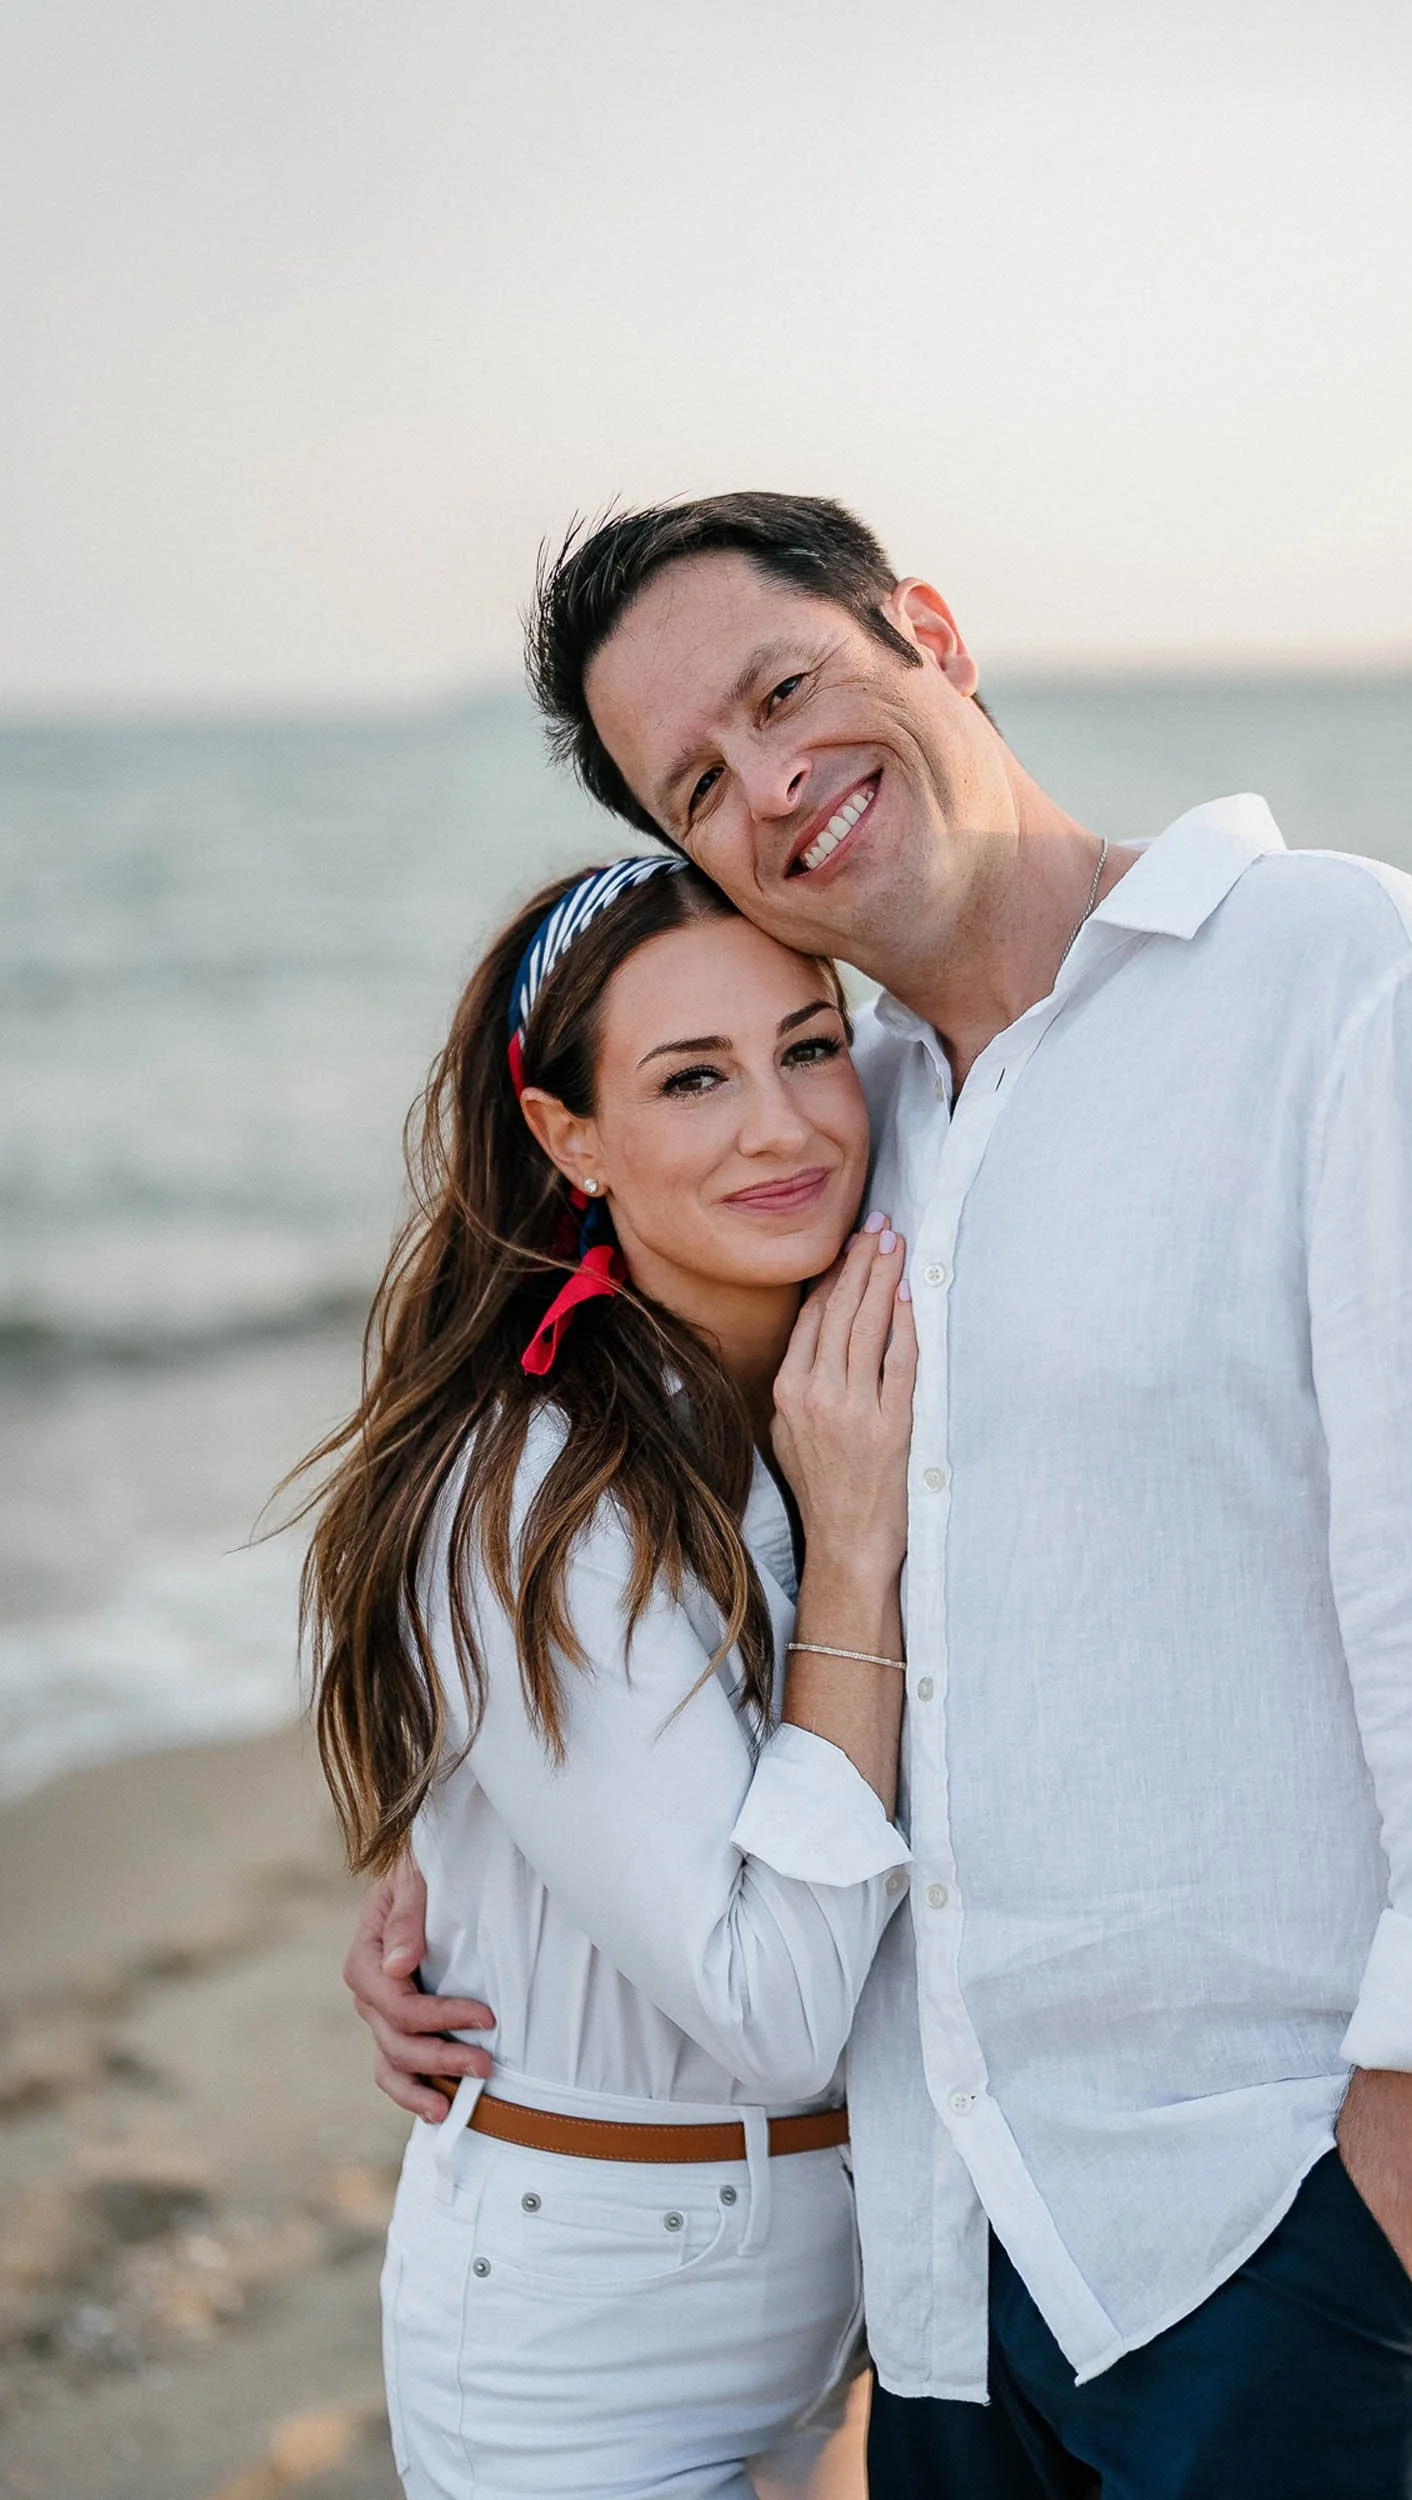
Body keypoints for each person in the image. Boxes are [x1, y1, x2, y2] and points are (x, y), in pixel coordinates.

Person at [348, 495, 1412, 2500]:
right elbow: (725, 1562)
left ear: (929, 631)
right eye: (698, 780)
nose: (772, 783)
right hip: (947, 2274)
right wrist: (472, 1879)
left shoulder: (1343, 973)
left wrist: (1364, 2227)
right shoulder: (851, 1114)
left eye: (784, 689)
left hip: (1272, 2235)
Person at [302, 850, 921, 2499]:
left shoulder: (834, 1373)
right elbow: (773, 2009)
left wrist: (453, 1875)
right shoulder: (527, 1487)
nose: (782, 1126)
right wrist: (858, 1558)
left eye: (805, 1046)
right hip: (586, 2359)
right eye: (691, 1078)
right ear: (570, 1139)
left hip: (864, 2302)